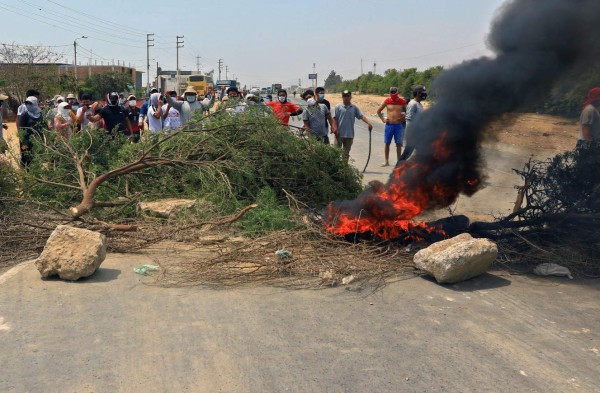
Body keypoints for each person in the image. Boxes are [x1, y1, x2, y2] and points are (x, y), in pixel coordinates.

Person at [333, 90, 373, 162]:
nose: (346, 98)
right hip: (339, 134)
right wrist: (335, 128)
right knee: (335, 153)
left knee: (346, 154)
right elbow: (335, 118)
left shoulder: (354, 107)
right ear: (342, 97)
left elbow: (361, 116)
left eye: (347, 96)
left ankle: (344, 169)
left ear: (350, 97)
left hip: (349, 135)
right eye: (344, 96)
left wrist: (368, 123)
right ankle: (335, 169)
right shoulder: (338, 107)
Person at [377, 87, 407, 166]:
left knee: (399, 144)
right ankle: (386, 161)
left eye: (394, 92)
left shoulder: (402, 101)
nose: (393, 94)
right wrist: (383, 119)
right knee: (387, 143)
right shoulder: (387, 101)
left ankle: (398, 162)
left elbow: (407, 111)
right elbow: (378, 111)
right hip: (389, 125)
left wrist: (403, 117)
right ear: (390, 92)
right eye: (392, 92)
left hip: (398, 125)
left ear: (397, 92)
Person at [398, 85, 427, 162]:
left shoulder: (419, 104)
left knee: (420, 153)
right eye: (422, 93)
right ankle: (397, 170)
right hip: (413, 133)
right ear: (418, 93)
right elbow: (410, 120)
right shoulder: (412, 104)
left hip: (417, 133)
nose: (424, 94)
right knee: (407, 153)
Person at [18, 96, 46, 166]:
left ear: (35, 104)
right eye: (26, 103)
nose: (28, 105)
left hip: (38, 141)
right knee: (26, 159)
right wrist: (24, 143)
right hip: (26, 142)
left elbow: (43, 127)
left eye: (30, 103)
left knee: (37, 159)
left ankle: (35, 175)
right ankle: (24, 175)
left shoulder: (41, 114)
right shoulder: (24, 115)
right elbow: (21, 130)